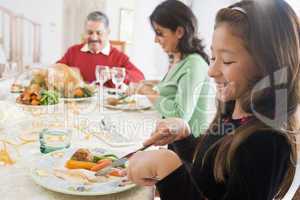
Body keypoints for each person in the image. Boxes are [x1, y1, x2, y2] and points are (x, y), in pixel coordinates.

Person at [127, 1, 299, 199]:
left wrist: (168, 167)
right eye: (213, 57)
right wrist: (184, 137)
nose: (211, 71)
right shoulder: (232, 111)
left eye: (226, 61)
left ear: (268, 66)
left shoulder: (266, 142)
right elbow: (209, 170)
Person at [132, 0, 210, 136]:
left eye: (160, 33)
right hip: (170, 139)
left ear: (179, 32)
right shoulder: (179, 59)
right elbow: (174, 86)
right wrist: (149, 83)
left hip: (187, 148)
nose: (155, 40)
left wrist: (146, 91)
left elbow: (180, 115)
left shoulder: (194, 63)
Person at [57, 11, 144, 87]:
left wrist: (118, 73)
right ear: (84, 32)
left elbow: (140, 77)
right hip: (78, 102)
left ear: (107, 32)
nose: (94, 37)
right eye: (89, 32)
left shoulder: (119, 56)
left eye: (99, 33)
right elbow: (55, 69)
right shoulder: (73, 51)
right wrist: (67, 72)